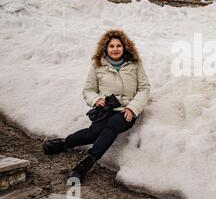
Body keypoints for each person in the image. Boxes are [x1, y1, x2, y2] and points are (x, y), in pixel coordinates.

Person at [42, 30, 151, 182]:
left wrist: (132, 108)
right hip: (106, 109)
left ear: (125, 47)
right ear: (105, 48)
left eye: (118, 46)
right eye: (111, 46)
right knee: (93, 133)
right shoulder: (98, 65)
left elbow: (144, 88)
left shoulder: (135, 64)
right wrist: (95, 100)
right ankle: (64, 143)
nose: (115, 49)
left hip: (126, 110)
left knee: (112, 125)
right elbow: (89, 90)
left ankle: (85, 165)